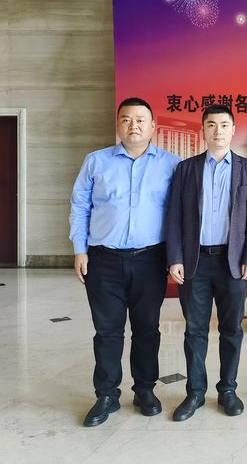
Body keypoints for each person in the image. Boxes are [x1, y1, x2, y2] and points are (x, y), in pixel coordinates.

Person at [69, 97, 180, 427]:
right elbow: (80, 207)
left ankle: (145, 390)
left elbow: (179, 214)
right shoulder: (96, 161)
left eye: (141, 120)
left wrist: (175, 257)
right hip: (103, 260)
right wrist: (80, 250)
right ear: (118, 124)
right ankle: (106, 395)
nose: (134, 125)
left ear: (153, 126)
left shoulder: (172, 164)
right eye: (127, 119)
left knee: (147, 329)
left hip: (150, 259)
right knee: (107, 331)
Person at [165, 104, 247, 421]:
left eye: (223, 125)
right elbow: (174, 216)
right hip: (195, 262)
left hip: (232, 263)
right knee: (195, 331)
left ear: (233, 130)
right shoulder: (186, 169)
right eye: (211, 125)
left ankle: (227, 390)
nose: (217, 131)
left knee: (232, 329)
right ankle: (195, 392)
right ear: (203, 130)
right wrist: (175, 257)